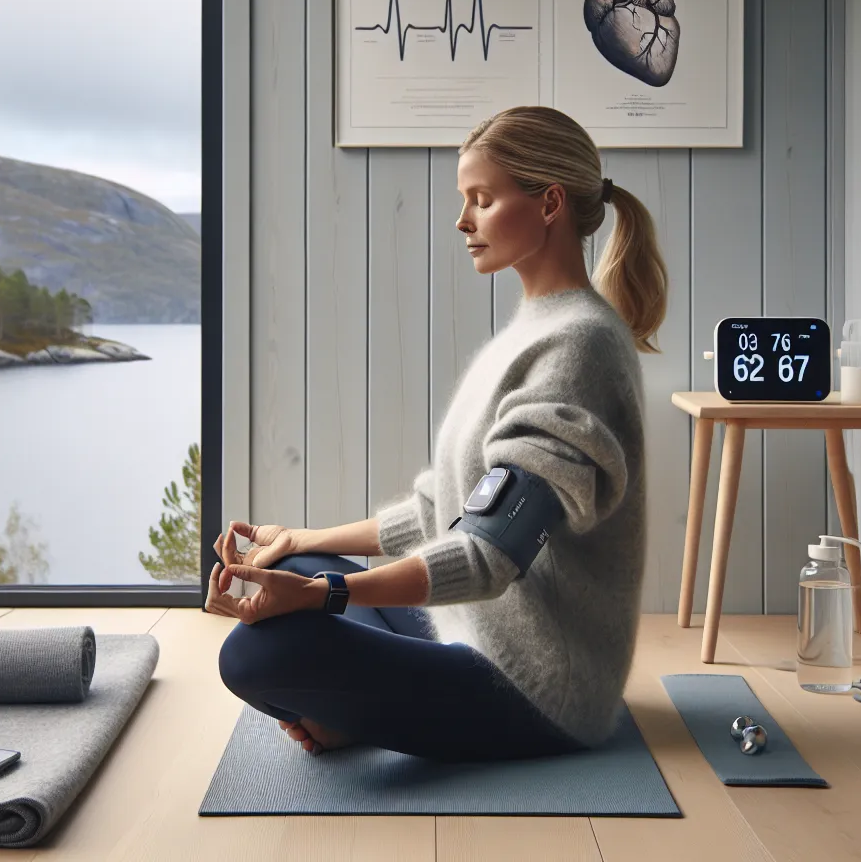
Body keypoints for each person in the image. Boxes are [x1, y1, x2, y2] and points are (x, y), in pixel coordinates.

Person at [205, 105, 668, 762]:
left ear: (549, 204)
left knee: (259, 651)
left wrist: (324, 595)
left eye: (482, 200)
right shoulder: (534, 330)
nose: (463, 221)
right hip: (469, 629)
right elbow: (441, 507)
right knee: (289, 568)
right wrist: (301, 542)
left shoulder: (579, 348)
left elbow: (487, 553)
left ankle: (358, 715)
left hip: (538, 687)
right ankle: (360, 712)